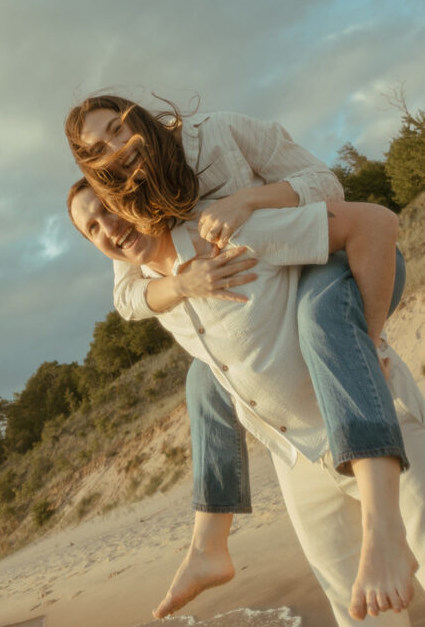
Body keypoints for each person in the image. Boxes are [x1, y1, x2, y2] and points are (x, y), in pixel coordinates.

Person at [68, 180, 425, 625]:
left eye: (109, 208)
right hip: (299, 459)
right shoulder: (155, 292)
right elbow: (126, 302)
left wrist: (369, 345)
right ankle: (207, 547)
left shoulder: (226, 233)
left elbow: (376, 222)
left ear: (135, 196)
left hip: (380, 426)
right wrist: (180, 284)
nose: (108, 227)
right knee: (364, 618)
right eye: (92, 227)